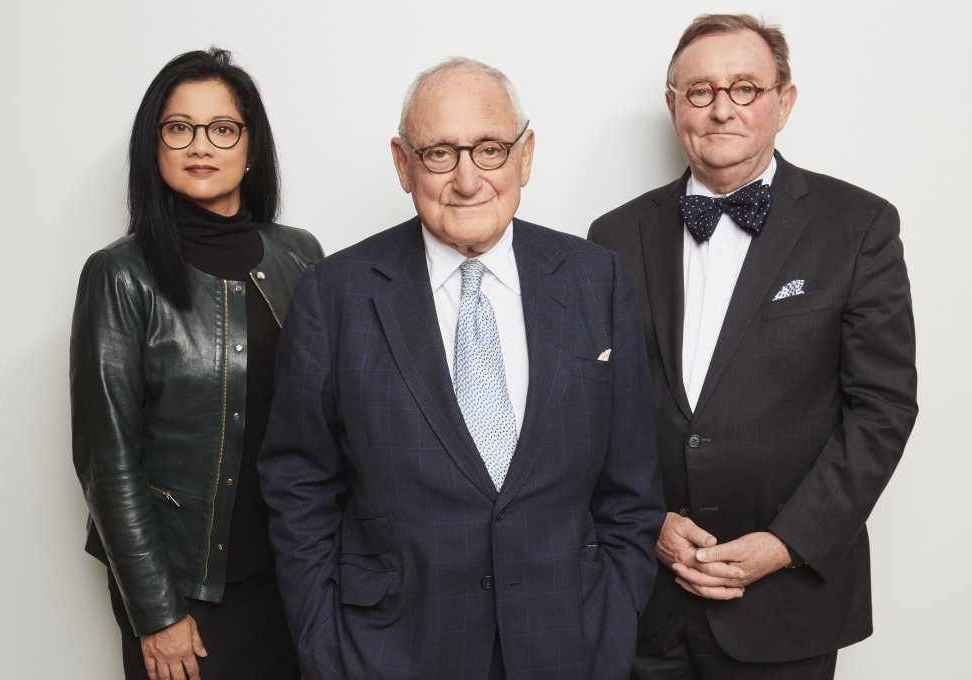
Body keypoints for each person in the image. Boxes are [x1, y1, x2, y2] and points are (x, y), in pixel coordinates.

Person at [258, 57, 665, 680]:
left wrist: (611, 626)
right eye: (440, 154)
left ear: (525, 155)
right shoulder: (334, 294)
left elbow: (632, 489)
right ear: (403, 164)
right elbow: (299, 486)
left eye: (491, 150)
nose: (468, 180)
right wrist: (327, 649)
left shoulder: (596, 280)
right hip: (392, 653)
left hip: (568, 646)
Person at [589, 13, 917, 680]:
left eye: (744, 88)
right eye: (701, 91)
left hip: (786, 601)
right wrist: (646, 520)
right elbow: (592, 407)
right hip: (645, 598)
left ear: (783, 102)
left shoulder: (859, 227)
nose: (721, 110)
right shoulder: (613, 236)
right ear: (673, 106)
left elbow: (882, 408)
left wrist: (786, 543)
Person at [70, 47, 323, 680]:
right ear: (153, 146)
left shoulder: (301, 256)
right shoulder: (120, 275)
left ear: (251, 145)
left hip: (294, 578)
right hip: (185, 591)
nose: (200, 145)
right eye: (179, 128)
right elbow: (107, 461)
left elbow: (330, 417)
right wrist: (156, 613)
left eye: (222, 128)